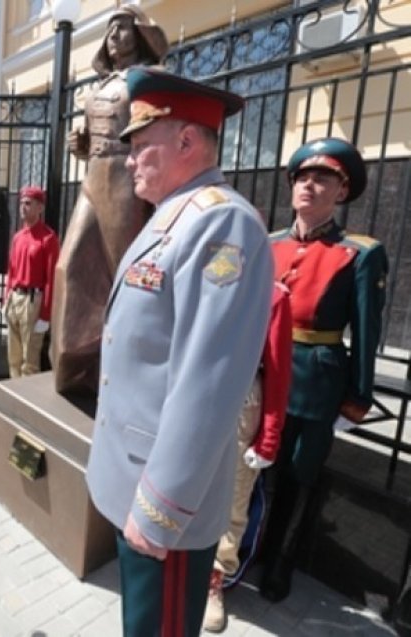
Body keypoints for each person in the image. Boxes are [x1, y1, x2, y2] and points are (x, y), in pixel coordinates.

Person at [85, 67, 274, 637]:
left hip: (164, 504)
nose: (130, 158)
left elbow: (207, 383)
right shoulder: (170, 217)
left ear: (187, 142)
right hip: (133, 481)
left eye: (143, 145)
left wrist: (160, 508)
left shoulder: (221, 224)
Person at [259, 138, 388, 603]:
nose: (309, 186)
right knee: (255, 468)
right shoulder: (269, 243)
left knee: (301, 473)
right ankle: (249, 544)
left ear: (341, 190)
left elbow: (368, 331)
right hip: (262, 376)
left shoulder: (360, 253)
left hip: (316, 383)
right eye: (302, 178)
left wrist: (358, 394)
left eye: (323, 178)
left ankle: (280, 562)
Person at [49, 4, 166, 396]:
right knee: (72, 265)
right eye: (111, 29)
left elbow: (155, 130)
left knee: (123, 275)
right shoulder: (100, 84)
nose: (115, 36)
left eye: (123, 28)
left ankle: (122, 373)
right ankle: (72, 366)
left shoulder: (148, 78)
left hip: (124, 179)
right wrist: (79, 144)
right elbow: (90, 137)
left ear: (141, 35)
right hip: (92, 178)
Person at [202, 282, 293, 632]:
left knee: (234, 500)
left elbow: (278, 371)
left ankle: (215, 579)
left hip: (243, 397)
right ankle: (182, 566)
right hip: (200, 388)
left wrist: (269, 436)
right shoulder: (204, 277)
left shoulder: (272, 295)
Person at [2, 186, 60, 378]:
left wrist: (45, 314)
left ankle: (25, 400)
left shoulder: (48, 238)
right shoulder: (18, 237)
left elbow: (51, 278)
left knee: (29, 360)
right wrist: (6, 299)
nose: (23, 207)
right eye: (21, 203)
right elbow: (11, 271)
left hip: (33, 301)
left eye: (29, 203)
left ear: (40, 208)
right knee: (14, 357)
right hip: (15, 298)